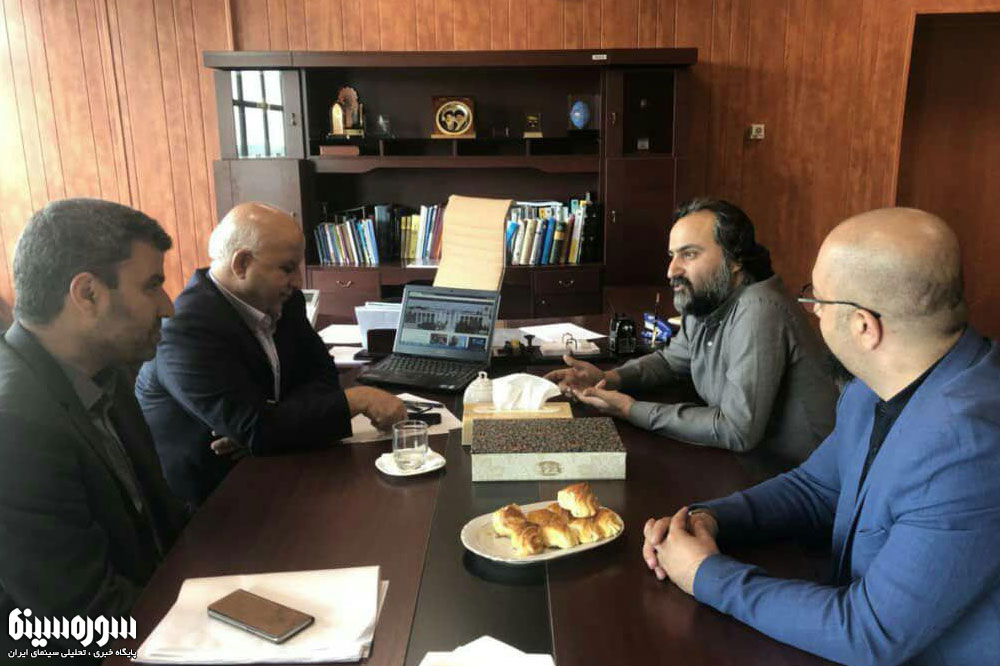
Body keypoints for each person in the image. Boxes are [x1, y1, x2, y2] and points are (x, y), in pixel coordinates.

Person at [643, 208, 1000, 666]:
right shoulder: (873, 386)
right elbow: (816, 488)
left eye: (817, 299)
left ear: (863, 326)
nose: (811, 311)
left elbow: (869, 633)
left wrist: (705, 574)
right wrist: (709, 519)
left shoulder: (969, 445)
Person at [0, 199, 187, 653]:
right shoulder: (14, 424)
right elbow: (81, 614)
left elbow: (160, 524)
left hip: (152, 610)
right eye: (152, 286)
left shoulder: (106, 370)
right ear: (87, 294)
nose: (168, 308)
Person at [135, 203, 406, 506]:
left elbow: (321, 376)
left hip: (276, 469)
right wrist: (357, 400)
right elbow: (257, 428)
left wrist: (271, 428)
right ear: (241, 264)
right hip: (210, 500)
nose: (298, 282)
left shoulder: (285, 301)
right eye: (287, 269)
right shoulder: (186, 329)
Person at [545, 198, 836, 469]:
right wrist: (609, 378)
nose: (671, 270)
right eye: (672, 256)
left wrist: (632, 410)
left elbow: (737, 430)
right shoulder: (707, 298)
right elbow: (671, 362)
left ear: (735, 259)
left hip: (799, 478)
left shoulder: (759, 308)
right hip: (747, 464)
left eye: (689, 254)